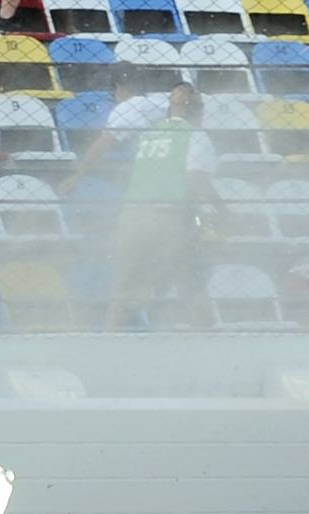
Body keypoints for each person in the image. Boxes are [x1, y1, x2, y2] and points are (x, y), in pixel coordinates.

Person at [94, 79, 218, 329]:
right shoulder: (195, 136)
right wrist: (224, 212)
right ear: (196, 110)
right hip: (169, 219)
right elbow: (196, 177)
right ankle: (209, 343)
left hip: (133, 217)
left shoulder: (150, 136)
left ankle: (109, 341)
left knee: (125, 288)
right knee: (190, 284)